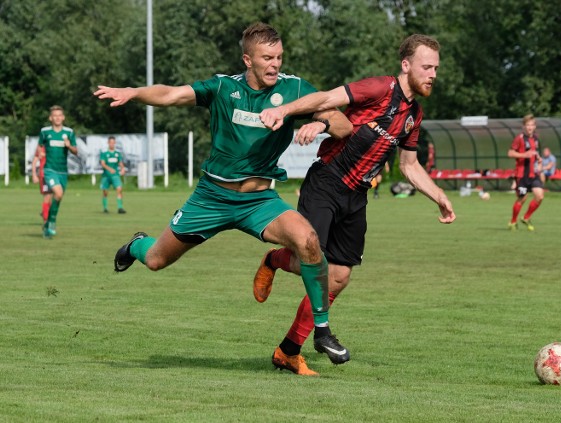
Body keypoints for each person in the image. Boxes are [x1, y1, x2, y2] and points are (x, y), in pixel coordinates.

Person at [93, 22, 352, 373]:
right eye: (266, 58)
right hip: (212, 198)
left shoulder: (294, 89)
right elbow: (171, 94)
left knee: (308, 241)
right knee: (156, 260)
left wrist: (319, 124)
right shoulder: (223, 87)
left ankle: (321, 330)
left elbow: (343, 124)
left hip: (260, 202)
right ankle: (137, 243)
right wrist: (133, 92)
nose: (274, 64)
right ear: (248, 59)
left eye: (279, 56)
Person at [254, 34, 456, 376]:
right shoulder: (379, 88)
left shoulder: (414, 115)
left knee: (339, 276)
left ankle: (288, 351)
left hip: (357, 196)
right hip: (327, 182)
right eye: (426, 66)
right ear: (406, 66)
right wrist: (294, 113)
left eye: (436, 68)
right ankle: (278, 265)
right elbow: (327, 98)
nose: (432, 73)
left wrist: (438, 196)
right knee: (313, 260)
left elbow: (409, 166)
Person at [38, 105, 79, 238]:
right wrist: (40, 153)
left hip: (63, 172)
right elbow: (39, 146)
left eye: (59, 115)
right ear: (51, 118)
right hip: (49, 170)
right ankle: (52, 222)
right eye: (54, 116)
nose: (57, 118)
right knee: (58, 193)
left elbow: (75, 151)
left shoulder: (69, 132)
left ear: (63, 117)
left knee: (59, 197)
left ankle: (48, 223)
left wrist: (69, 146)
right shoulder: (45, 132)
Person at [507, 114, 544, 231]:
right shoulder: (520, 138)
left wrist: (538, 159)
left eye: (532, 125)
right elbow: (510, 153)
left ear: (535, 127)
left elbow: (534, 153)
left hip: (533, 174)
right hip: (522, 175)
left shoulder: (536, 139)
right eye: (527, 125)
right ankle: (512, 222)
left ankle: (526, 217)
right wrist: (524, 155)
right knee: (522, 199)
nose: (530, 127)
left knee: (540, 196)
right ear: (524, 126)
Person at [100, 136, 127, 214]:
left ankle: (120, 208)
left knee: (119, 189)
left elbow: (120, 162)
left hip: (115, 175)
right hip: (106, 176)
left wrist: (122, 169)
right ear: (108, 143)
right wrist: (109, 169)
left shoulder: (117, 154)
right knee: (105, 192)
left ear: (115, 143)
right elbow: (103, 163)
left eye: (113, 143)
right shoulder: (104, 153)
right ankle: (105, 208)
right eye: (110, 142)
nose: (112, 144)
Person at [31, 145, 52, 222]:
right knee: (47, 196)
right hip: (44, 175)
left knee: (53, 196)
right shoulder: (41, 147)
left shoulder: (55, 144)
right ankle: (46, 221)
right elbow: (35, 160)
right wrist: (34, 175)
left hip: (54, 175)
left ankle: (45, 212)